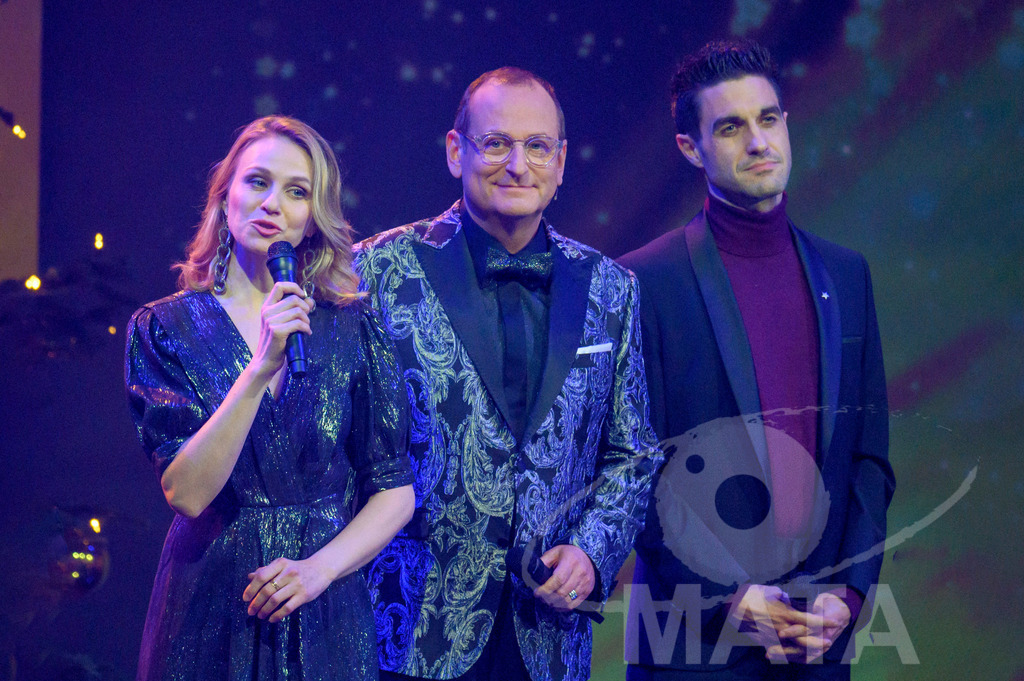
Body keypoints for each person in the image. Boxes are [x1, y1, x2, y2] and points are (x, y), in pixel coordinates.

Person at [354, 67, 662, 681]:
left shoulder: (611, 287)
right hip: (411, 627)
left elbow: (634, 451)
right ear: (455, 150)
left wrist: (594, 554)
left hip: (548, 637)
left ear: (562, 161)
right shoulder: (379, 271)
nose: (518, 165)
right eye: (496, 144)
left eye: (537, 147)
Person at [618, 41, 896, 680]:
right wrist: (728, 600)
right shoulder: (642, 283)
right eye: (731, 126)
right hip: (693, 644)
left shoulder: (847, 276)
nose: (758, 142)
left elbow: (869, 459)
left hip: (816, 641)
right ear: (691, 148)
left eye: (769, 119)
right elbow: (633, 472)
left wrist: (849, 595)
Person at [125, 115, 415, 680]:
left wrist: (319, 571)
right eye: (257, 182)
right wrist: (258, 369)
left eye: (297, 191)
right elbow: (186, 493)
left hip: (326, 608)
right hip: (213, 601)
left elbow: (395, 492)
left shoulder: (354, 329)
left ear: (313, 219)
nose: (272, 204)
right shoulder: (164, 328)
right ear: (225, 196)